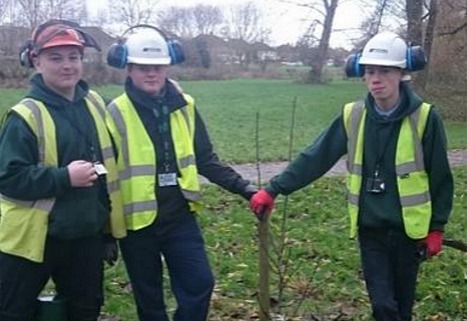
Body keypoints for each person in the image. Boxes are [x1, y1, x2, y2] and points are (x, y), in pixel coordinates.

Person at [250, 31, 453, 321]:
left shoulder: (425, 118)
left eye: (384, 71)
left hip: (410, 232)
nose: (376, 79)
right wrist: (273, 189)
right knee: (383, 306)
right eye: (370, 71)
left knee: (401, 307)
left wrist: (437, 228)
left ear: (403, 73)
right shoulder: (353, 116)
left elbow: (441, 178)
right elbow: (315, 157)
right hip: (370, 229)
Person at [105, 26, 257, 321]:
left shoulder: (185, 106)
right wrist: (105, 231)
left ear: (168, 65)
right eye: (143, 67)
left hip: (179, 217)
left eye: (158, 67)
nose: (152, 73)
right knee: (149, 300)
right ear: (129, 68)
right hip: (137, 224)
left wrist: (245, 188)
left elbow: (206, 159)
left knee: (200, 283)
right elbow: (104, 177)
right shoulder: (114, 112)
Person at [0, 20, 126, 321]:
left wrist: (107, 234)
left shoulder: (95, 104)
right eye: (56, 58)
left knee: (85, 311)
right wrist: (64, 177)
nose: (67, 66)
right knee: (13, 313)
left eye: (74, 57)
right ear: (36, 61)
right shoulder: (24, 116)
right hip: (32, 240)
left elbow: (106, 174)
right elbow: (8, 178)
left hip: (85, 236)